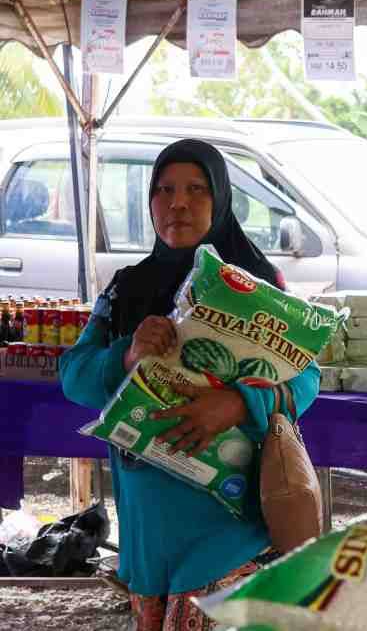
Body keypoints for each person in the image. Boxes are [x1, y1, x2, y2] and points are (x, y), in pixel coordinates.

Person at [60, 139, 320, 631]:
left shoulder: (258, 287)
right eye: (164, 190)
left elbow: (306, 380)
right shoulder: (124, 290)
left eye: (196, 189)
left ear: (220, 199)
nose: (177, 203)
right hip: (147, 532)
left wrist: (238, 403)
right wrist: (129, 354)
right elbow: (75, 376)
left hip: (229, 523)